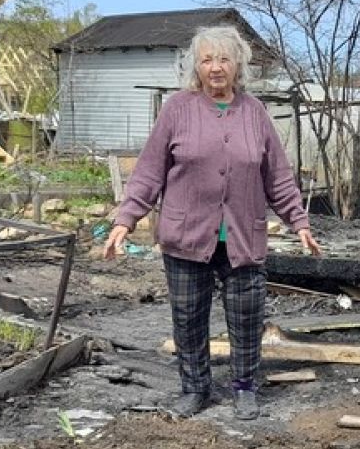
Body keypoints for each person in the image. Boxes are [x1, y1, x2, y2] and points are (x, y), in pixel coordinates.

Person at [103, 26, 322, 421]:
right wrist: (126, 220)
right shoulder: (177, 109)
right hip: (186, 237)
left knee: (247, 316)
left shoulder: (255, 112)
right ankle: (195, 389)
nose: (216, 68)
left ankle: (244, 389)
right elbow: (150, 170)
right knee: (188, 319)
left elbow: (278, 176)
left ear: (237, 64)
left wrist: (299, 222)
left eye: (223, 59)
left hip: (243, 235)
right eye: (207, 60)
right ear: (196, 66)